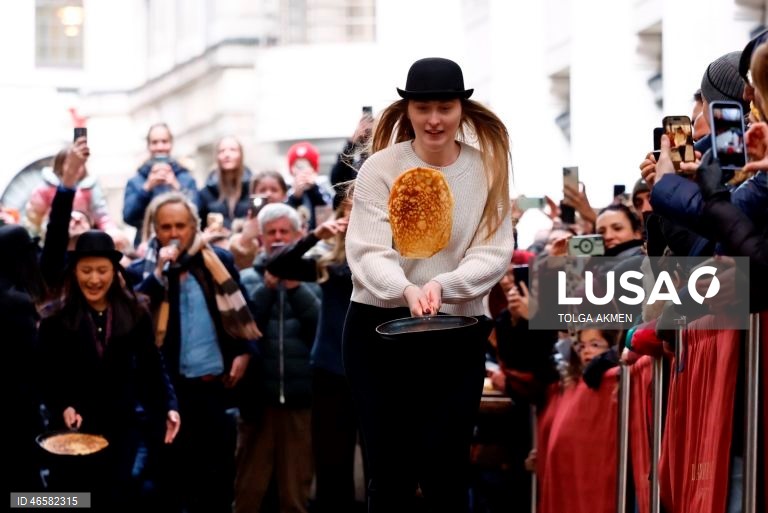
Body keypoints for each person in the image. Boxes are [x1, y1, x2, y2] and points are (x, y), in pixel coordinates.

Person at [342, 57, 514, 512]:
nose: (434, 119)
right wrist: (405, 289)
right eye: (423, 108)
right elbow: (366, 250)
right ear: (408, 112)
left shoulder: (487, 167)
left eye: (444, 107)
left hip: (456, 326)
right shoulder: (379, 168)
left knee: (447, 472)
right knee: (390, 474)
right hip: (379, 326)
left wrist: (446, 285)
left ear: (461, 109)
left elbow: (493, 250)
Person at [126, 191, 261, 513]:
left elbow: (245, 313)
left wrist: (244, 352)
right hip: (169, 395)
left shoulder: (217, 261)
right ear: (154, 231)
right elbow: (132, 317)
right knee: (170, 485)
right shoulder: (145, 273)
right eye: (165, 227)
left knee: (214, 485)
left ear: (193, 226)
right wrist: (159, 273)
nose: (174, 233)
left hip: (213, 389)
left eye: (181, 226)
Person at [39, 230, 180, 512]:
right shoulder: (55, 318)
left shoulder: (136, 311)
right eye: (86, 270)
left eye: (102, 270)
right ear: (74, 272)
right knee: (70, 500)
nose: (94, 279)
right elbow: (46, 374)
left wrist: (168, 406)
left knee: (115, 497)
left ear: (114, 271)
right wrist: (63, 404)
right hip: (72, 431)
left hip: (121, 427)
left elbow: (153, 366)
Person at [265, 191, 362, 513]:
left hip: (375, 374)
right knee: (332, 468)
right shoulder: (329, 262)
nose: (356, 219)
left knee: (382, 470)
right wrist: (316, 234)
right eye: (350, 213)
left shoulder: (393, 260)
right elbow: (278, 264)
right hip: (330, 372)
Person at [235, 202, 320, 513]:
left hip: (299, 402)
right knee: (247, 492)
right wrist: (269, 289)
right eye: (272, 232)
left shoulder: (315, 277)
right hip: (258, 402)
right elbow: (243, 330)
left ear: (299, 236)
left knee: (295, 496)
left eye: (286, 231)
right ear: (261, 239)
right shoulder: (246, 279)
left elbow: (320, 328)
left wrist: (296, 288)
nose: (279, 238)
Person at [123, 123, 198, 246]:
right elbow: (128, 217)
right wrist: (146, 188)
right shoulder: (135, 181)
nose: (160, 147)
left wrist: (176, 186)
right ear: (148, 146)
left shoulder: (186, 179)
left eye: (164, 141)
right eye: (155, 142)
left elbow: (196, 214)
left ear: (171, 144)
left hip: (183, 244)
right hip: (146, 245)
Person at [24, 144, 116, 240]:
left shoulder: (89, 187)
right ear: (60, 164)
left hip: (83, 237)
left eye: (79, 164)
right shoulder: (46, 187)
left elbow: (101, 215)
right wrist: (35, 238)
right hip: (53, 237)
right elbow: (34, 217)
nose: (75, 169)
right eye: (70, 164)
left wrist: (111, 233)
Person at [198, 136, 253, 231]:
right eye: (222, 151)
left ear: (241, 154)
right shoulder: (206, 192)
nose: (227, 154)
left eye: (233, 150)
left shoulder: (253, 187)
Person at [285, 141, 332, 230]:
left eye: (306, 165)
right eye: (298, 166)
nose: (302, 171)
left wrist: (314, 189)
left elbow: (328, 212)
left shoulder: (322, 189)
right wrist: (295, 196)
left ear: (313, 169)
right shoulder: (286, 190)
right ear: (292, 169)